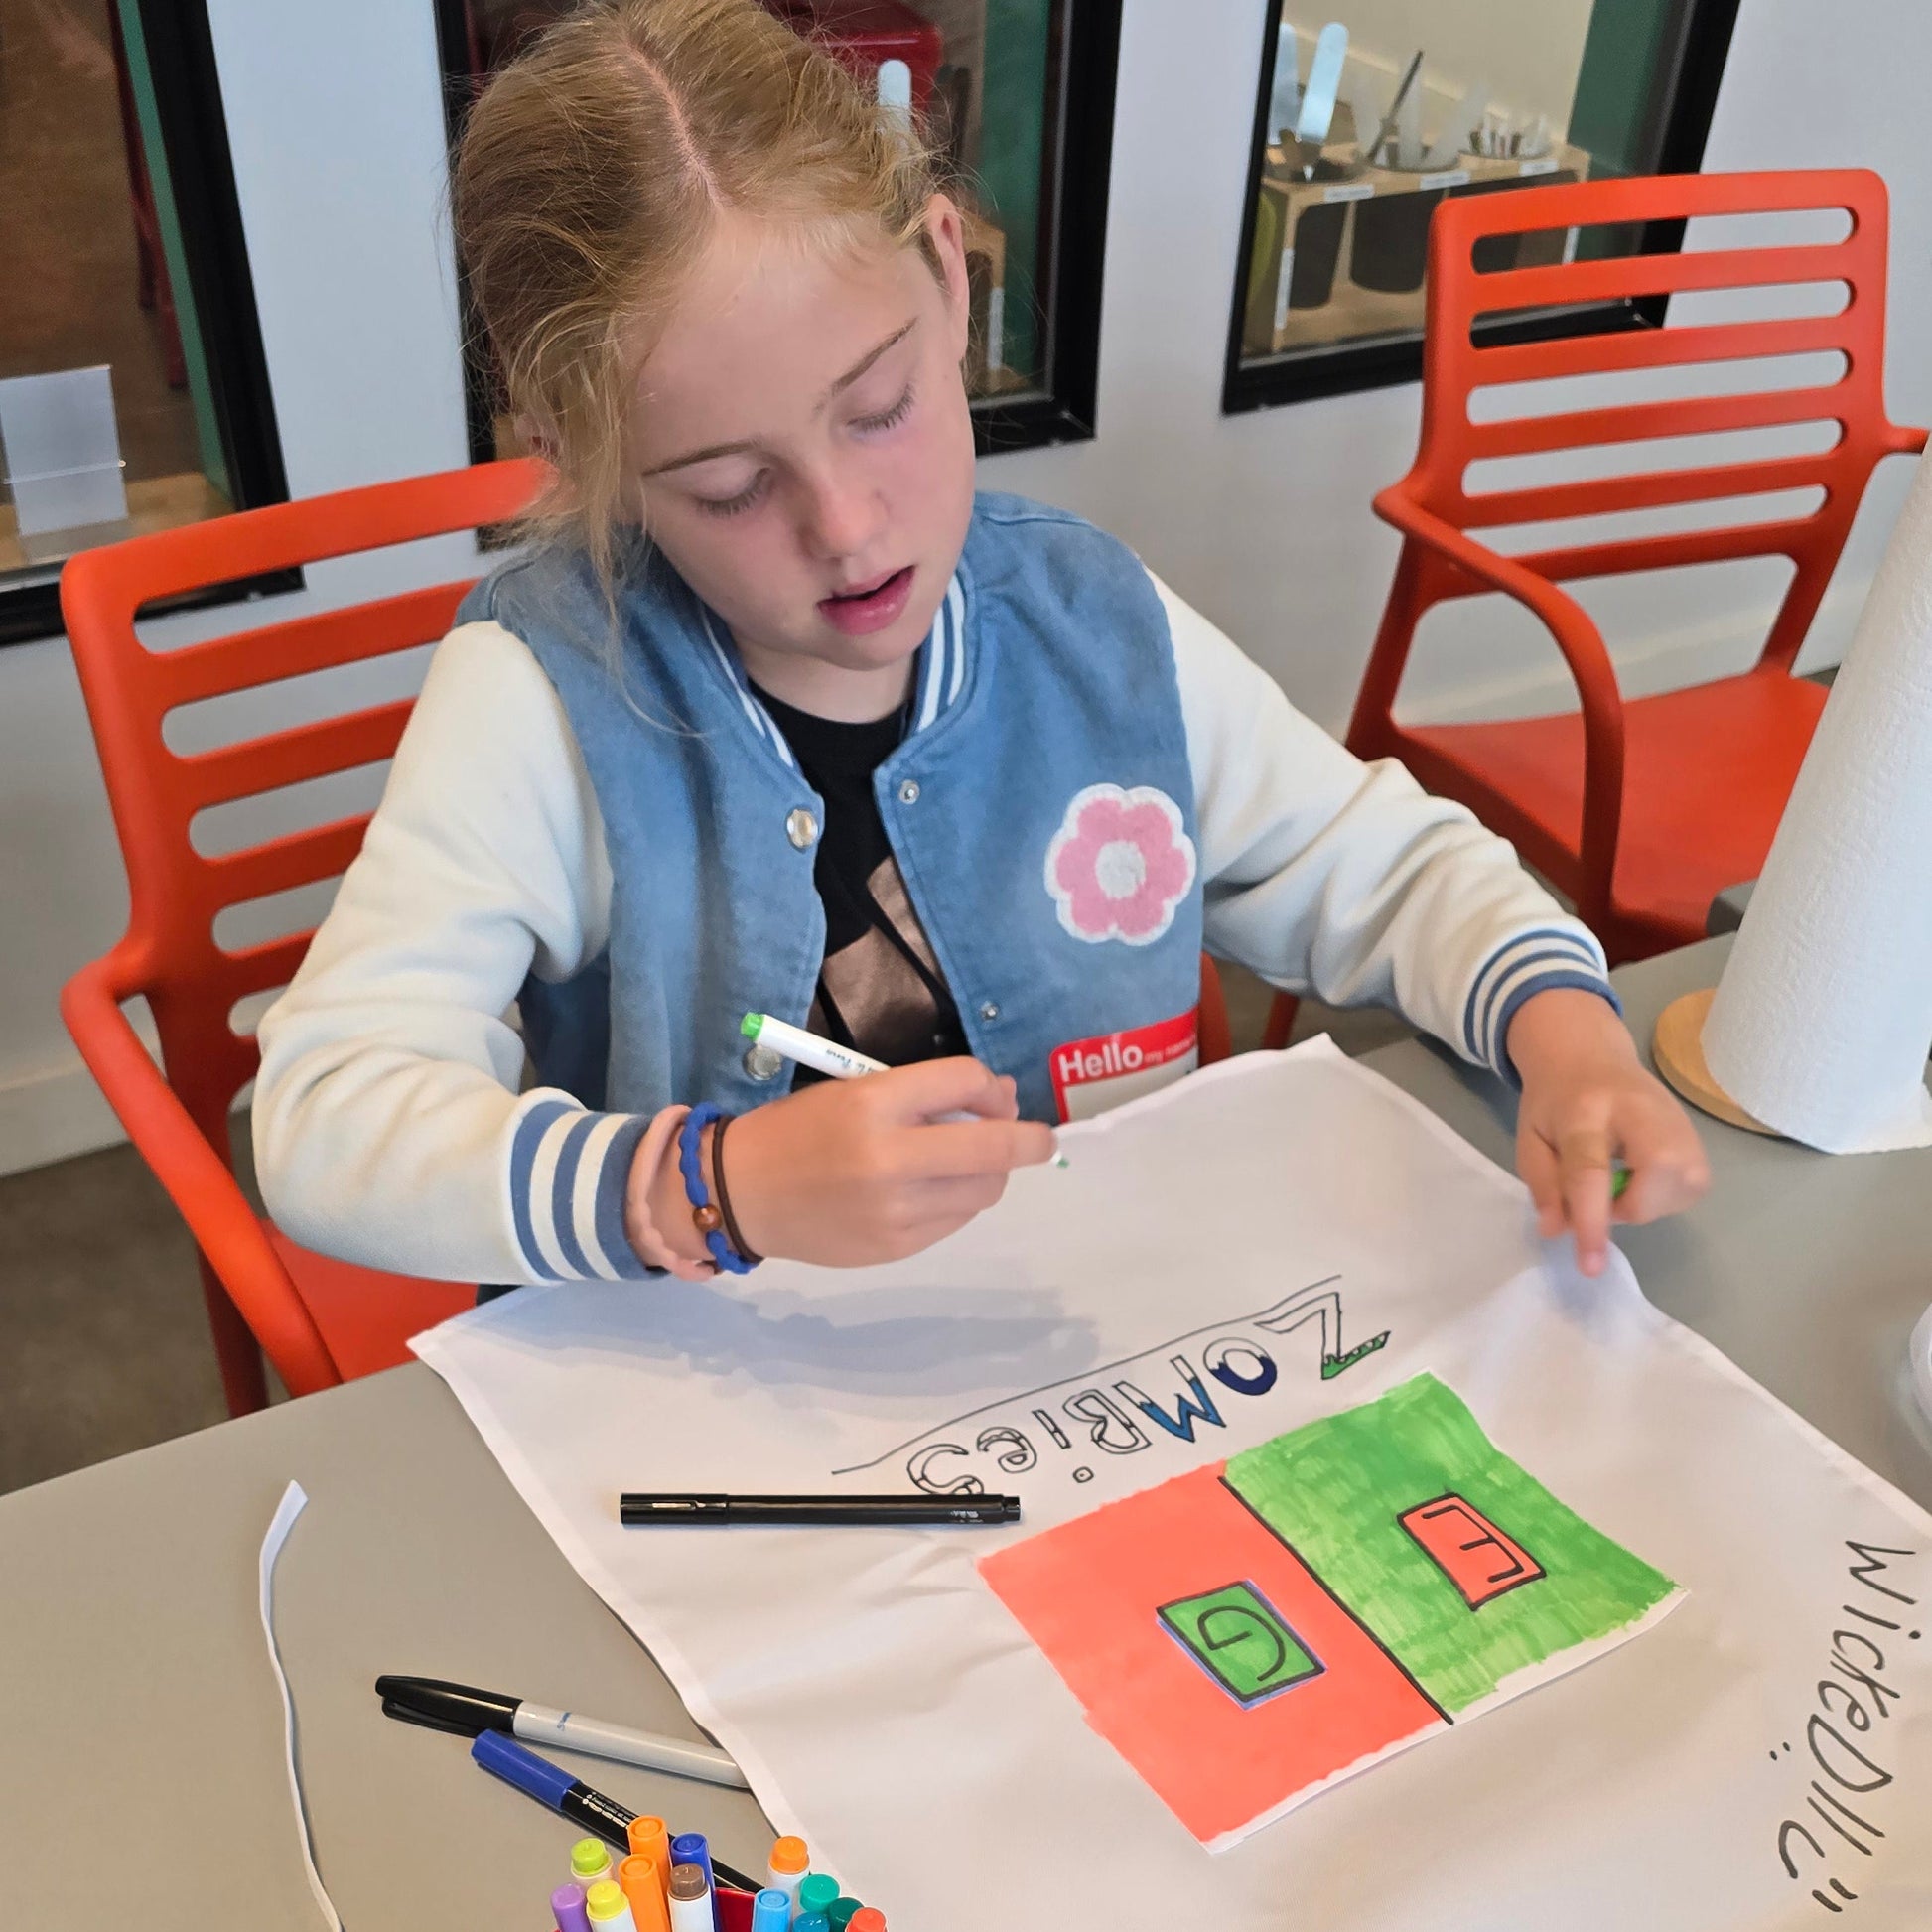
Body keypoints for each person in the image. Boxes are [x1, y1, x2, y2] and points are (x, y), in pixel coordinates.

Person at [252, 0, 1708, 1296]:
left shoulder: (1087, 617)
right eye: (728, 485)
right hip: (729, 1418)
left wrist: (1563, 1030)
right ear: (583, 459)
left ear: (948, 277)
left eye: (876, 405)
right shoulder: (547, 695)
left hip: (1116, 1350)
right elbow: (325, 1117)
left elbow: (1381, 869)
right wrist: (705, 1182)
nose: (846, 524)